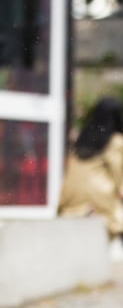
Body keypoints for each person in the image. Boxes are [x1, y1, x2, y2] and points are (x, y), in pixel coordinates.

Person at [58, 96, 123, 255]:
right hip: (98, 198)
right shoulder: (116, 141)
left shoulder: (82, 137)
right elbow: (119, 176)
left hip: (70, 197)